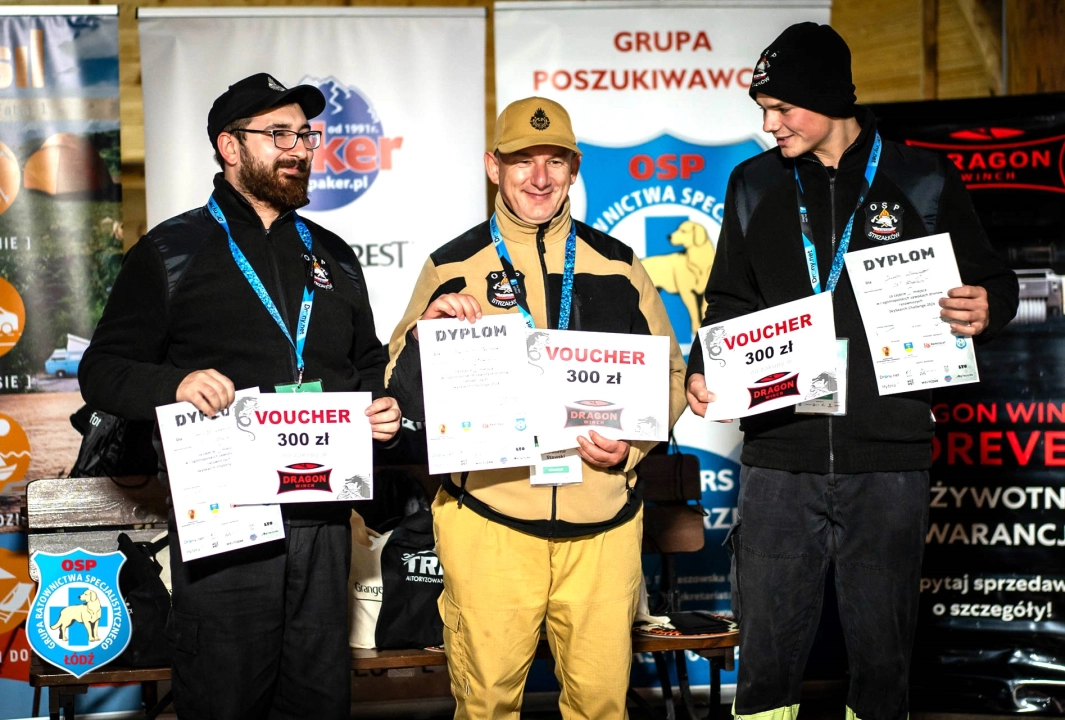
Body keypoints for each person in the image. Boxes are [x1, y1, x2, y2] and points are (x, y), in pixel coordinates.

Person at [685, 23, 1019, 720]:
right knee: (767, 662)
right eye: (762, 112)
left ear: (830, 98)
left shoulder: (921, 178)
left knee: (880, 660)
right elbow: (727, 299)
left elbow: (992, 279)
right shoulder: (750, 184)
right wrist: (702, 363)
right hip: (780, 455)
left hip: (887, 457)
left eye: (782, 110)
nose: (769, 126)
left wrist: (987, 305)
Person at [79, 72, 401, 719]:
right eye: (278, 134)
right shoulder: (170, 251)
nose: (299, 148)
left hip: (322, 517)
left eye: (304, 134)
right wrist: (174, 383)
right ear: (230, 147)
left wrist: (381, 408)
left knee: (316, 700)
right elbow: (104, 369)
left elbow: (365, 363)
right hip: (227, 524)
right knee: (226, 697)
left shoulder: (333, 255)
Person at [386, 96, 687, 719]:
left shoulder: (619, 266)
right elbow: (397, 387)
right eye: (524, 161)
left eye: (555, 161)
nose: (540, 177)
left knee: (603, 706)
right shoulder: (451, 265)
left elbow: (671, 373)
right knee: (488, 705)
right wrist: (424, 335)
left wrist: (632, 447)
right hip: (490, 520)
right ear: (493, 166)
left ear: (574, 169)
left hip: (602, 525)